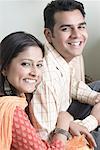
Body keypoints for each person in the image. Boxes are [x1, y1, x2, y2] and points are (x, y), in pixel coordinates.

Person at [30, 0, 100, 149]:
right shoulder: (45, 77)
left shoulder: (63, 55)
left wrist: (95, 98)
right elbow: (48, 139)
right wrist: (93, 119)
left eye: (81, 27)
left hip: (65, 114)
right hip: (58, 135)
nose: (76, 35)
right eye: (66, 29)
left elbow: (72, 85)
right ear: (49, 35)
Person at [0, 31, 75, 150]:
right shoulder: (11, 110)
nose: (35, 73)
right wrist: (63, 125)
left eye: (39, 65)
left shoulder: (21, 99)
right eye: (26, 64)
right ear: (4, 68)